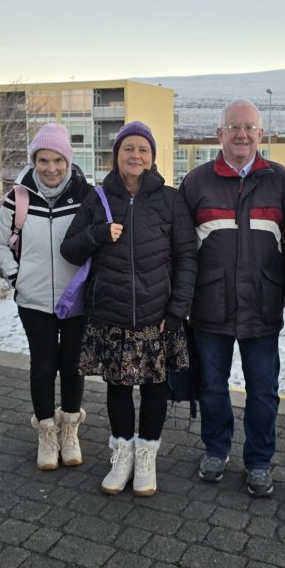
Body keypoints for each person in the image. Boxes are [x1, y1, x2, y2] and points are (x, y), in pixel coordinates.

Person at [61, 121, 196, 496]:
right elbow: (70, 250)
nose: (135, 155)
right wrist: (98, 234)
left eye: (143, 150)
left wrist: (178, 309)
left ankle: (147, 455)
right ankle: (122, 454)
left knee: (154, 388)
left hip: (157, 315)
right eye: (128, 149)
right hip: (110, 313)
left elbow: (187, 257)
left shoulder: (170, 200)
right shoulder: (98, 198)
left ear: (152, 158)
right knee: (118, 389)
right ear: (116, 155)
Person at [179, 99, 285, 497]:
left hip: (262, 307)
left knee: (263, 390)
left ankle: (259, 461)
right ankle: (216, 450)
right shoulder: (196, 182)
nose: (242, 134)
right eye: (233, 127)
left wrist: (283, 289)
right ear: (219, 134)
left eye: (249, 127)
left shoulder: (281, 181)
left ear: (261, 134)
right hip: (209, 307)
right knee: (212, 386)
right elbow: (181, 249)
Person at [0, 123, 92, 470]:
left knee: (73, 365)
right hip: (33, 299)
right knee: (44, 365)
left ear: (68, 161)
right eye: (43, 160)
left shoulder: (86, 196)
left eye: (58, 161)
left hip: (76, 298)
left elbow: (99, 241)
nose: (51, 168)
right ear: (34, 160)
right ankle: (46, 432)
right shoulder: (16, 199)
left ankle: (70, 430)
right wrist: (16, 276)